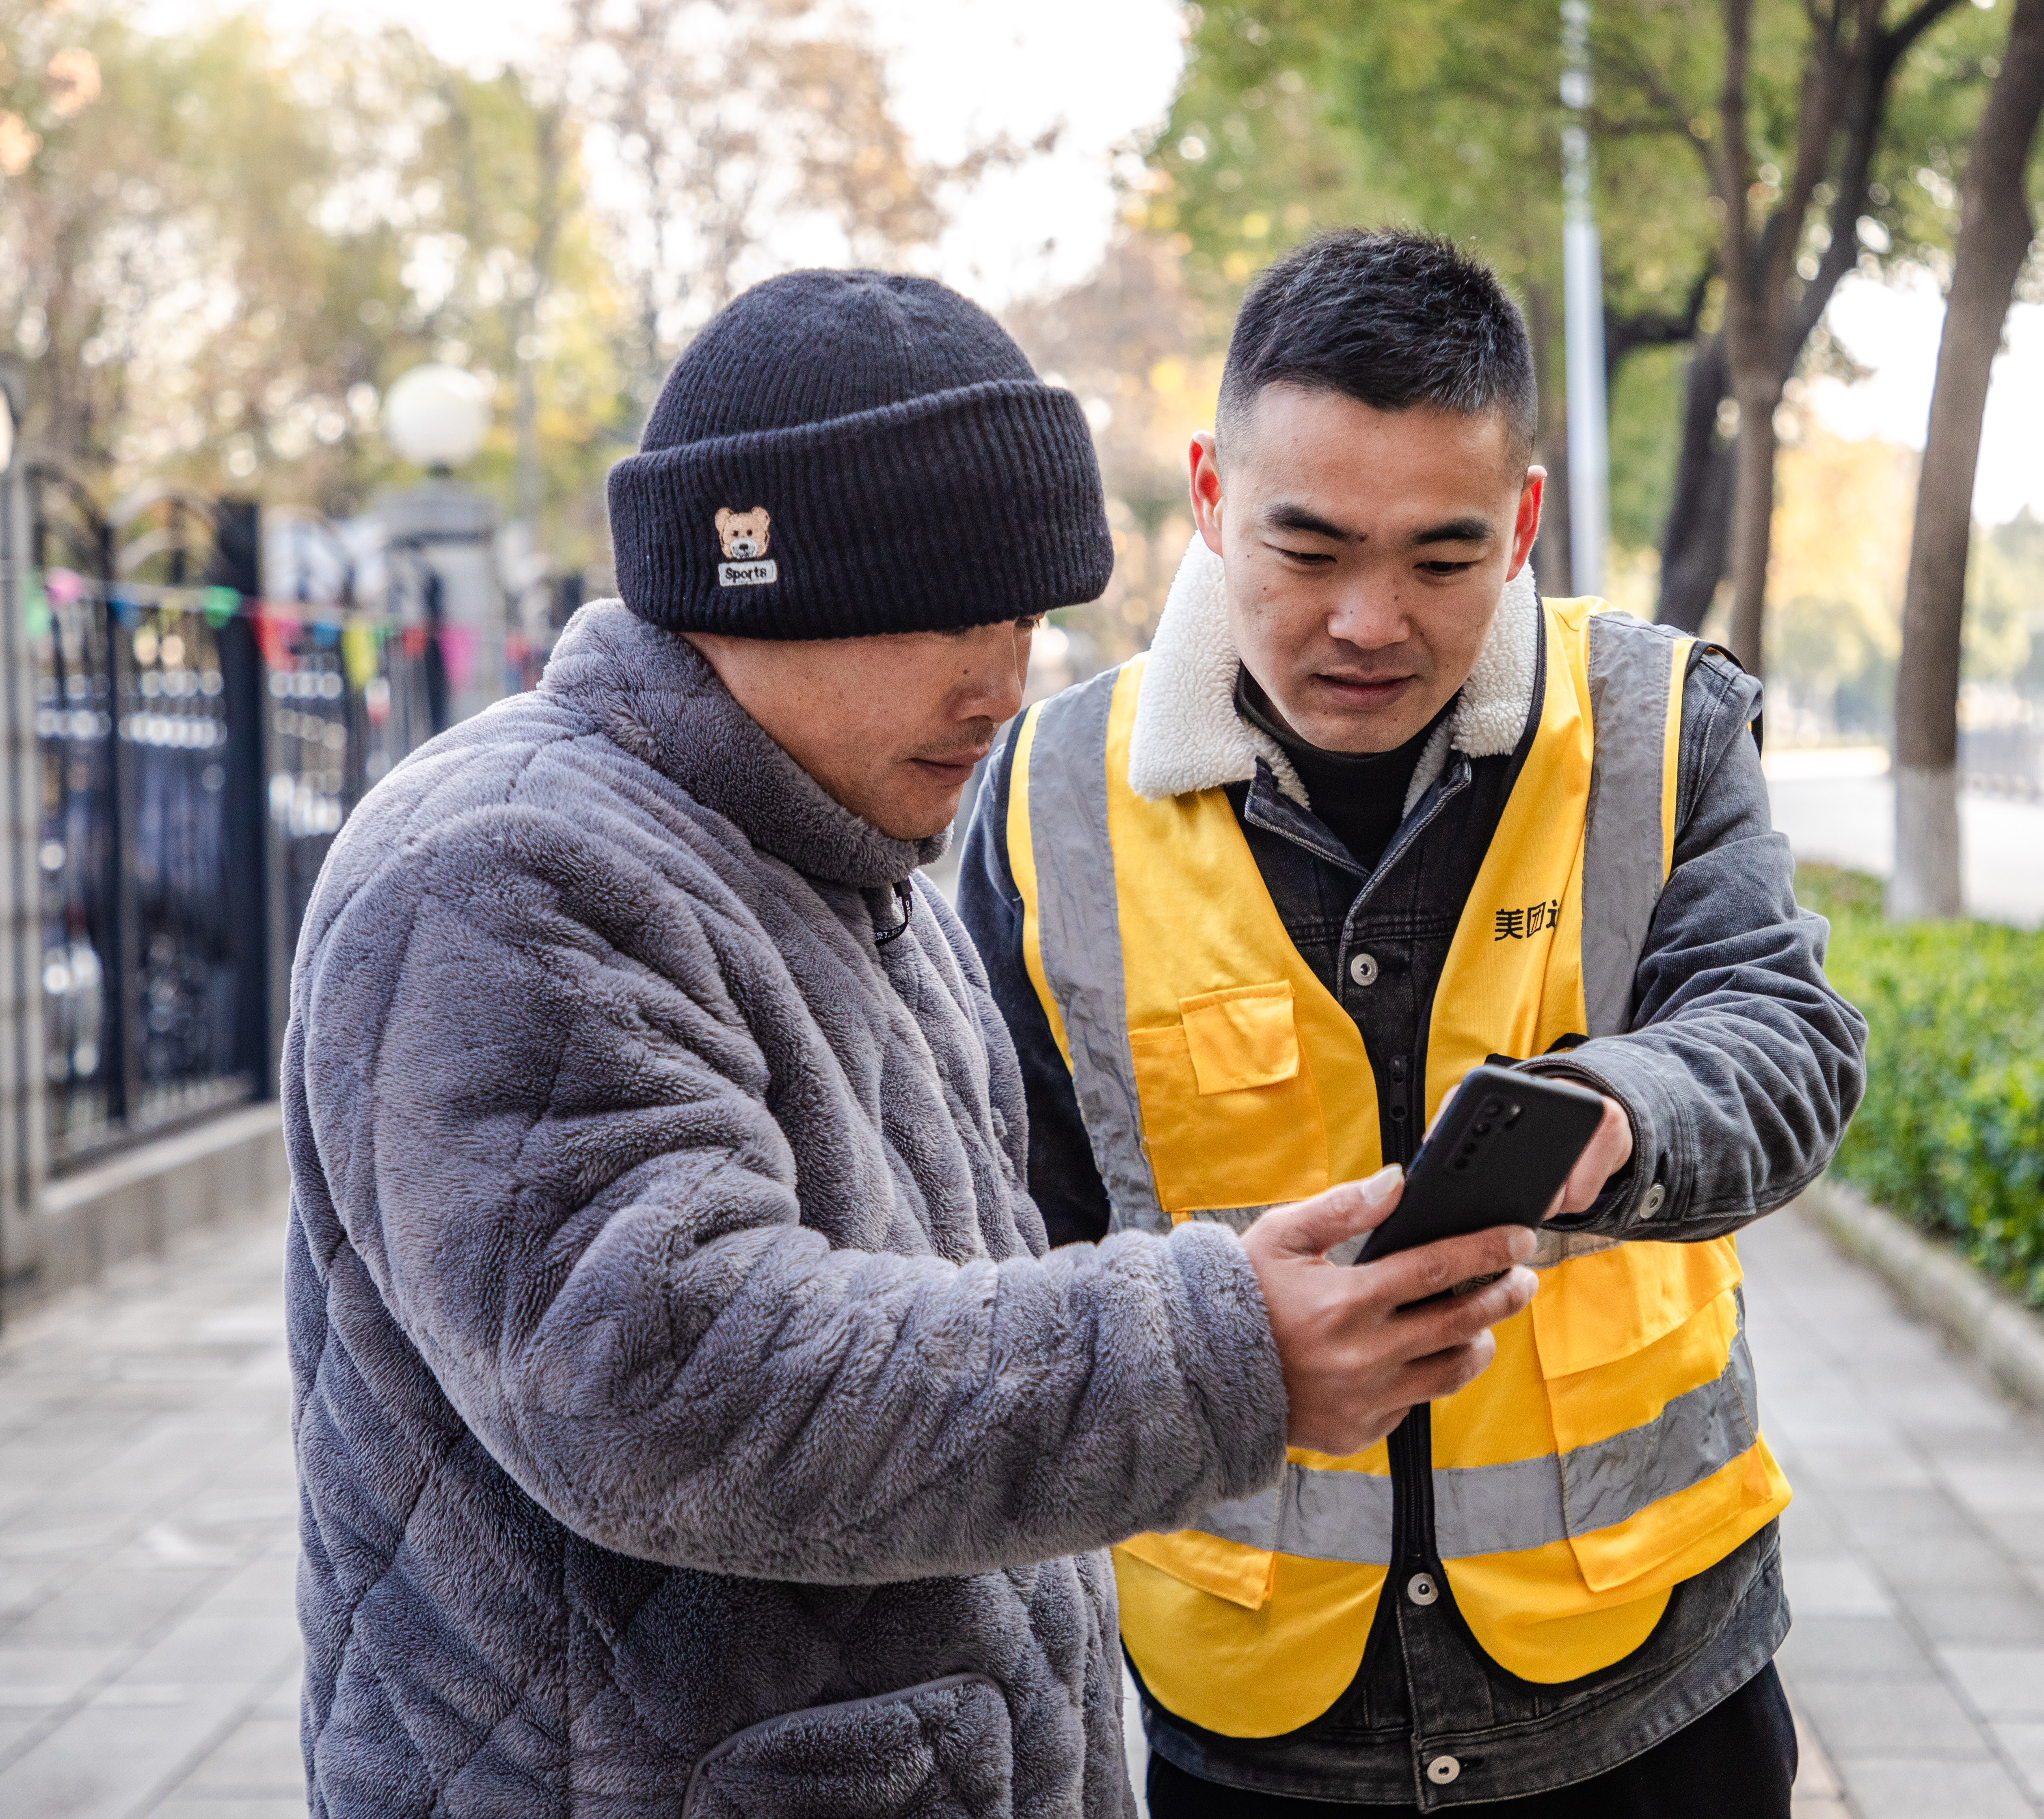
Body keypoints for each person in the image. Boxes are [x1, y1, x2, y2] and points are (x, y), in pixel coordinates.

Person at [280, 268, 1546, 1819]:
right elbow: (669, 1377)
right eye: (951, 613)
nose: (1002, 680)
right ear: (757, 580)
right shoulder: (500, 872)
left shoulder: (847, 859)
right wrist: (1228, 1352)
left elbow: (970, 1298)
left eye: (1023, 615)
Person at [959, 230, 1869, 1815]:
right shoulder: (1042, 805)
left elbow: (1786, 1033)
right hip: (1250, 1719)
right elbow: (989, 1237)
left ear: (1523, 520)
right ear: (1210, 495)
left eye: (1442, 560)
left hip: (1651, 1687)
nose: (1371, 621)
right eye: (1308, 552)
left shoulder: (1658, 728)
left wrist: (1623, 1115)